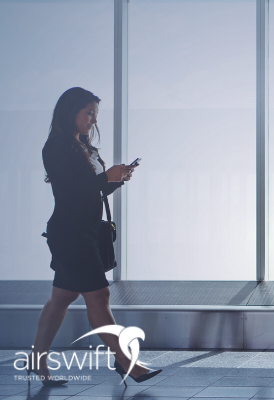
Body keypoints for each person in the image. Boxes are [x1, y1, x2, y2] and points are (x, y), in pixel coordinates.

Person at [29, 87, 161, 386]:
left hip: (86, 230)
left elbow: (94, 190)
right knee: (99, 296)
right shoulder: (55, 147)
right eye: (89, 112)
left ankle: (37, 361)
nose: (93, 120)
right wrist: (106, 178)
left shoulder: (86, 148)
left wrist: (117, 179)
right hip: (71, 233)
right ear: (70, 112)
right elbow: (72, 191)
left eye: (96, 114)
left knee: (62, 297)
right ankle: (126, 362)